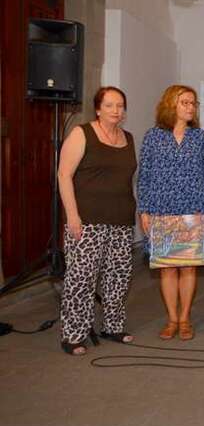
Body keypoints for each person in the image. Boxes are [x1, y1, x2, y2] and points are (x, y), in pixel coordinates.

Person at [57, 87, 137, 355]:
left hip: (121, 220)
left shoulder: (128, 138)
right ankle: (74, 335)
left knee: (118, 277)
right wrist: (72, 216)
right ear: (98, 108)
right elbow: (64, 175)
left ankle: (112, 326)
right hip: (87, 220)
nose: (116, 110)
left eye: (121, 105)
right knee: (80, 280)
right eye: (111, 105)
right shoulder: (82, 133)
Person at [138, 85, 204, 341]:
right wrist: (144, 210)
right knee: (167, 269)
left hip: (194, 209)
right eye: (185, 102)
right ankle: (171, 319)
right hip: (162, 210)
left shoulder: (201, 137)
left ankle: (185, 319)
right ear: (171, 104)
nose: (190, 107)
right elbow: (145, 176)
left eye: (193, 103)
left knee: (189, 268)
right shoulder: (153, 137)